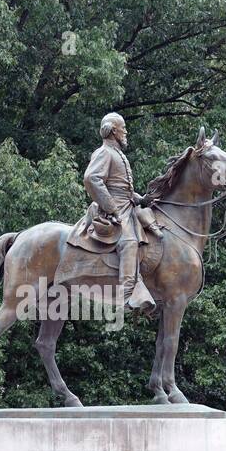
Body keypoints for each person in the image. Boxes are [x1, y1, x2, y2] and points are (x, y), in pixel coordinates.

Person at [80, 112, 157, 314]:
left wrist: (141, 199)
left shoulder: (117, 153)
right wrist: (111, 207)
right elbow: (91, 178)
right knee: (129, 243)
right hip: (116, 211)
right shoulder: (104, 152)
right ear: (114, 130)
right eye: (123, 127)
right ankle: (126, 298)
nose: (126, 130)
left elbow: (124, 189)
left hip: (127, 206)